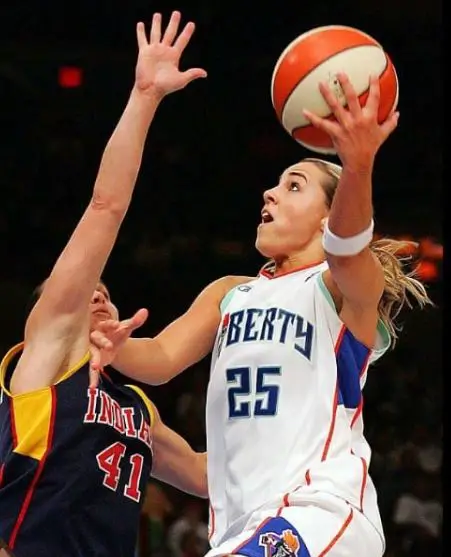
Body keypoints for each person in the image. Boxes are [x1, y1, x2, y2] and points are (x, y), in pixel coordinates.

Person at [89, 71, 433, 556]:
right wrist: (114, 343)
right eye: (275, 185)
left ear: (326, 217)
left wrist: (357, 167)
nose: (269, 193)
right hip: (243, 529)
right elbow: (163, 357)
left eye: (293, 186)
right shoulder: (231, 293)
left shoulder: (336, 288)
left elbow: (349, 248)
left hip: (320, 513)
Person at [0, 11, 208, 557]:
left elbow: (206, 476)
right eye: (82, 286)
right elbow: (106, 206)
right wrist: (144, 97)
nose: (96, 291)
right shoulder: (49, 351)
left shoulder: (138, 406)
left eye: (105, 290)